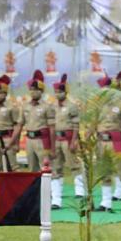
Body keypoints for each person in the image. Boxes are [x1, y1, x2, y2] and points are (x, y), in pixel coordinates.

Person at [96, 70, 121, 212]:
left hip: (117, 141)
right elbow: (93, 124)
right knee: (104, 173)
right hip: (101, 142)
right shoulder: (98, 105)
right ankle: (105, 202)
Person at [51, 74, 83, 209]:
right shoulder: (52, 106)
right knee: (55, 168)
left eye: (61, 92)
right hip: (56, 139)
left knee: (74, 165)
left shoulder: (72, 106)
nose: (58, 94)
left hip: (68, 139)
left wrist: (74, 141)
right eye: (57, 92)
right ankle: (56, 199)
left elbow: (76, 125)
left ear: (66, 92)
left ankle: (80, 193)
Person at [0, 75, 22, 196]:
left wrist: (15, 143)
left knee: (13, 166)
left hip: (7, 138)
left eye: (0, 93)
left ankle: (18, 188)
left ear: (5, 94)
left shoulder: (12, 107)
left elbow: (17, 126)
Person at [22, 69, 55, 173]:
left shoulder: (47, 106)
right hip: (29, 140)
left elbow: (52, 129)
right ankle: (36, 189)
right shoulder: (25, 106)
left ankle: (49, 189)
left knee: (46, 168)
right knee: (32, 169)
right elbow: (19, 125)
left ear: (41, 91)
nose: (33, 92)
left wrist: (52, 148)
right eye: (31, 89)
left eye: (36, 90)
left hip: (42, 140)